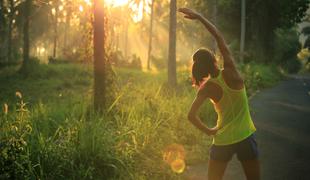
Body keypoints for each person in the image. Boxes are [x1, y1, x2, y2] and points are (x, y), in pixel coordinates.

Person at [178, 8, 260, 180]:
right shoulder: (231, 71)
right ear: (214, 59)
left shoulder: (207, 88)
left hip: (222, 141)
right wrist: (200, 16)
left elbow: (191, 116)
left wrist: (209, 131)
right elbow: (219, 38)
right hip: (245, 137)